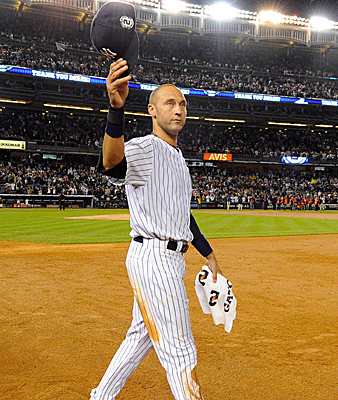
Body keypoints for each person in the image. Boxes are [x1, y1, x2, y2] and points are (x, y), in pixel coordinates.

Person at [90, 59, 224, 400]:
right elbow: (112, 164)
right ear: (152, 110)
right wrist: (115, 111)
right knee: (180, 350)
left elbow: (184, 216)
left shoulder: (177, 157)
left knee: (141, 335)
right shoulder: (145, 148)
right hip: (154, 257)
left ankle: (100, 396)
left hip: (168, 258)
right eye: (169, 103)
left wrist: (208, 254)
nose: (178, 110)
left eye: (182, 104)